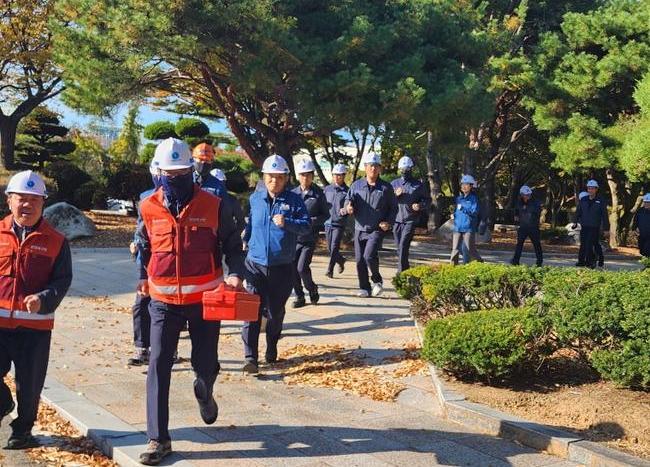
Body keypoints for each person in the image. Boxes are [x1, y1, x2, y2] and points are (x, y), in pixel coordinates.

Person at [136, 138, 245, 465]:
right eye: (169, 174)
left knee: (205, 362)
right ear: (159, 173)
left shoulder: (214, 204)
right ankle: (158, 439)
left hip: (204, 300)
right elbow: (144, 244)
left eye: (181, 173)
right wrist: (142, 275)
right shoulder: (148, 206)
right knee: (158, 364)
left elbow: (233, 245)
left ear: (191, 171)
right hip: (162, 302)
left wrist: (235, 274)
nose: (175, 178)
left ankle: (205, 390)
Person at [0, 171, 72, 449]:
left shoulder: (56, 240)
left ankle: (23, 431)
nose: (27, 205)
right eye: (21, 198)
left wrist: (43, 299)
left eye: (34, 199)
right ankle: (3, 403)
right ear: (9, 200)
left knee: (29, 385)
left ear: (43, 203)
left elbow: (62, 280)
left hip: (34, 328)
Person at [241, 155, 310, 374]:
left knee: (275, 312)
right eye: (271, 176)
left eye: (279, 177)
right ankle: (250, 357)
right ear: (264, 177)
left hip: (282, 266)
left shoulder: (294, 200)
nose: (275, 181)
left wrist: (287, 222)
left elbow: (306, 226)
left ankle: (271, 346)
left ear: (286, 178)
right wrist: (245, 238)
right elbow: (251, 223)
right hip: (255, 264)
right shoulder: (255, 199)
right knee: (251, 311)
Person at [345, 152, 397, 297]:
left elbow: (394, 208)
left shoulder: (386, 188)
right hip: (359, 228)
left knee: (368, 255)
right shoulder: (356, 185)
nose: (373, 168)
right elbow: (348, 200)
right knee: (359, 260)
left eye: (376, 166)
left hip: (376, 229)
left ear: (380, 168)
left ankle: (377, 280)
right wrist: (348, 207)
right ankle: (364, 288)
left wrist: (388, 222)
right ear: (365, 167)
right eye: (370, 165)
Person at [127, 158, 161, 366]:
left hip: (167, 260)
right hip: (147, 258)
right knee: (141, 304)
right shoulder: (145, 198)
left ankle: (169, 348)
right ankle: (142, 347)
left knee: (166, 307)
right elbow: (141, 228)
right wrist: (135, 242)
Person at [292, 160, 329, 308]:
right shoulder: (292, 194)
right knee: (292, 269)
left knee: (302, 268)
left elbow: (326, 215)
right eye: (302, 175)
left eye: (308, 175)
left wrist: (313, 221)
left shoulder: (318, 194)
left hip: (309, 238)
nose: (305, 178)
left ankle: (312, 289)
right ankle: (299, 296)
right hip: (293, 238)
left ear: (312, 176)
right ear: (298, 176)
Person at [391, 156, 430, 274]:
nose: (404, 171)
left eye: (407, 169)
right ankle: (406, 270)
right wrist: (395, 195)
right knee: (400, 248)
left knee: (403, 245)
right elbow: (385, 201)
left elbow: (427, 200)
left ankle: (400, 273)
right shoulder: (394, 184)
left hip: (410, 220)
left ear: (411, 169)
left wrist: (420, 205)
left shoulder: (418, 185)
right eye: (402, 169)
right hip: (396, 220)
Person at [573, 179, 609, 268]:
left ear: (596, 189)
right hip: (584, 226)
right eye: (589, 188)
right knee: (583, 244)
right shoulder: (583, 199)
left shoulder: (600, 200)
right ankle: (581, 261)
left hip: (595, 227)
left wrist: (606, 229)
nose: (590, 190)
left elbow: (605, 215)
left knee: (589, 244)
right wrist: (575, 222)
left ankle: (590, 262)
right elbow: (578, 212)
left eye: (592, 188)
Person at [323, 163, 349, 278]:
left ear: (343, 176)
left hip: (339, 223)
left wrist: (345, 210)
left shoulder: (347, 191)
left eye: (339, 175)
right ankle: (341, 260)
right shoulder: (327, 189)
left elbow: (349, 204)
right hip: (327, 222)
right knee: (330, 248)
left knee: (334, 247)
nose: (337, 177)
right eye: (335, 175)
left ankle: (330, 269)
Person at [450, 175, 482, 265]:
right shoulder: (459, 198)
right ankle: (452, 268)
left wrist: (463, 209)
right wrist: (454, 215)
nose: (464, 186)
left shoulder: (474, 199)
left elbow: (474, 212)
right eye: (462, 184)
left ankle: (472, 264)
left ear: (471, 186)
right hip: (457, 226)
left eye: (466, 184)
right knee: (455, 249)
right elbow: (457, 211)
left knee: (467, 249)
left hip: (468, 227)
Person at [510, 185, 543, 267]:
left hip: (533, 227)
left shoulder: (535, 203)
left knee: (536, 244)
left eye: (528, 194)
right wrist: (516, 216)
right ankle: (515, 260)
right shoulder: (519, 202)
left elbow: (537, 212)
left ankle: (539, 261)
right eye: (525, 195)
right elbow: (516, 210)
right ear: (521, 195)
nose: (527, 196)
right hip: (523, 227)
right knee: (519, 244)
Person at [634, 193, 650, 257]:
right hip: (642, 235)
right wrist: (635, 228)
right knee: (642, 250)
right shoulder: (640, 211)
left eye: (648, 202)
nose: (646, 204)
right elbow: (635, 220)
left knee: (647, 250)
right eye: (645, 202)